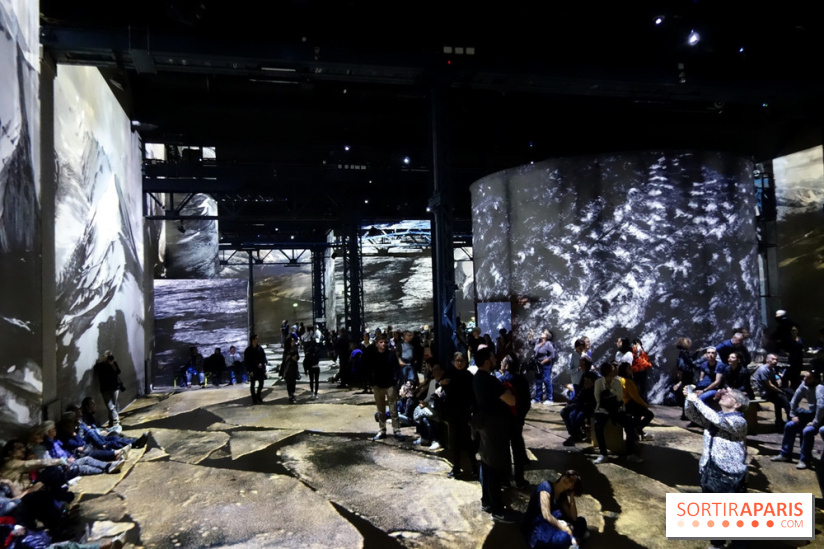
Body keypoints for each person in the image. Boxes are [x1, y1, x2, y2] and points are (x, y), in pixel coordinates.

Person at [683, 385, 749, 549]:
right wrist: (690, 397)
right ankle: (717, 544)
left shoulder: (739, 421)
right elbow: (690, 414)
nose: (724, 394)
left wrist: (696, 400)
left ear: (737, 404)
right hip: (709, 469)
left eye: (729, 395)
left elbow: (718, 421)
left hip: (730, 475)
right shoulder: (715, 416)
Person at [471, 347, 517, 523]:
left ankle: (487, 502)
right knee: (494, 467)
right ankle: (497, 509)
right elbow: (511, 400)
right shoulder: (489, 380)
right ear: (487, 360)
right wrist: (507, 393)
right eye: (493, 357)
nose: (496, 360)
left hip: (484, 425)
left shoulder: (477, 379)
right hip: (494, 428)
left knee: (486, 464)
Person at [522, 470, 588, 549]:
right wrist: (565, 528)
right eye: (567, 476)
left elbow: (573, 517)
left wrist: (572, 496)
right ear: (562, 476)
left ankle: (572, 540)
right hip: (538, 527)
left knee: (581, 521)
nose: (567, 480)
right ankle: (574, 539)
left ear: (572, 487)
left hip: (553, 524)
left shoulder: (562, 495)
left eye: (571, 481)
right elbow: (546, 515)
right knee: (564, 536)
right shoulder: (545, 487)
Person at [593, 361, 641, 464]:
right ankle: (603, 454)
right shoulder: (598, 382)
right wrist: (611, 393)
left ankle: (630, 454)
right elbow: (598, 398)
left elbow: (619, 397)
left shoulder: (617, 382)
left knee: (630, 426)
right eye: (612, 369)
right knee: (598, 427)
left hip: (617, 409)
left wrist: (607, 392)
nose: (614, 370)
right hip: (602, 410)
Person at [771, 371, 820, 469]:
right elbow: (794, 400)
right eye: (804, 377)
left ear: (815, 380)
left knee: (807, 431)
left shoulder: (820, 389)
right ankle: (785, 454)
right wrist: (792, 415)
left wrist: (815, 422)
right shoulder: (804, 384)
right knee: (790, 425)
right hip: (811, 413)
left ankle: (805, 459)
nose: (804, 379)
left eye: (808, 378)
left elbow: (821, 407)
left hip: (820, 417)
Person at [440, 352, 477, 480]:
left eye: (462, 361)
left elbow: (473, 396)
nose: (459, 363)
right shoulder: (449, 374)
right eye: (457, 360)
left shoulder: (469, 376)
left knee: (467, 441)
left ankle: (474, 467)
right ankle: (456, 467)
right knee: (454, 441)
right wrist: (442, 384)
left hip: (465, 413)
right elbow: (443, 392)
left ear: (466, 362)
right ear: (453, 361)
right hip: (452, 413)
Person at [367, 335, 403, 441]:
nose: (383, 344)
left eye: (385, 342)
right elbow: (369, 369)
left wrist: (395, 382)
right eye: (381, 342)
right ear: (377, 344)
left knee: (393, 410)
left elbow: (397, 369)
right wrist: (372, 383)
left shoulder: (391, 355)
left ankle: (397, 431)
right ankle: (382, 430)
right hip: (378, 386)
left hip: (389, 385)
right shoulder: (373, 355)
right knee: (381, 410)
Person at [754, 353, 792, 428]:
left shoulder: (772, 368)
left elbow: (775, 376)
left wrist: (778, 378)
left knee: (790, 393)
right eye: (773, 359)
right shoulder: (763, 369)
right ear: (767, 360)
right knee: (782, 398)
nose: (775, 361)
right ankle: (790, 418)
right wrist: (780, 391)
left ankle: (779, 421)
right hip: (765, 392)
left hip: (772, 391)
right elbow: (769, 385)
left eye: (776, 359)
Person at [561, 370, 597, 446]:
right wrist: (569, 402)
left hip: (588, 407)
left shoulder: (595, 390)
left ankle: (574, 435)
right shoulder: (583, 388)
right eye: (585, 379)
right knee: (564, 411)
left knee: (577, 415)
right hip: (580, 405)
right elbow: (577, 398)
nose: (586, 381)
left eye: (588, 380)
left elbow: (593, 403)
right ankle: (574, 434)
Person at [93, 351, 123, 428]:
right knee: (110, 406)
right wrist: (102, 361)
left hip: (115, 387)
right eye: (107, 356)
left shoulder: (113, 363)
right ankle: (116, 421)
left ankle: (111, 422)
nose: (109, 358)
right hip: (105, 388)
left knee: (113, 406)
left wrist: (112, 363)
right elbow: (96, 370)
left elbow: (118, 372)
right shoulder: (100, 365)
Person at [533, 330, 557, 405]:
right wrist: (531, 334)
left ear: (547, 336)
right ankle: (538, 398)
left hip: (545, 364)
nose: (541, 333)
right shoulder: (538, 342)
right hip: (538, 364)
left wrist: (542, 362)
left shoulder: (548, 344)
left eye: (543, 333)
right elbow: (530, 342)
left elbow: (552, 355)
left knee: (547, 380)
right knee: (538, 381)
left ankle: (550, 399)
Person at [244, 334, 267, 405]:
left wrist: (262, 366)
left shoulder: (260, 348)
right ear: (252, 340)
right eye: (256, 339)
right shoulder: (248, 350)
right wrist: (249, 370)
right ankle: (254, 398)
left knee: (261, 383)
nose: (257, 340)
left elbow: (263, 358)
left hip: (260, 369)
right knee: (252, 384)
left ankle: (258, 394)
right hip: (252, 370)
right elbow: (246, 361)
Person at [630, 338, 653, 403]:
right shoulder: (632, 351)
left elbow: (646, 360)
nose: (637, 345)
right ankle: (637, 400)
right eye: (636, 344)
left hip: (642, 370)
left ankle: (643, 400)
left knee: (642, 386)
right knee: (636, 386)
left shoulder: (643, 352)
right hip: (637, 370)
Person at [280, 338, 300, 403]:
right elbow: (284, 358)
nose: (293, 342)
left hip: (294, 368)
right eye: (292, 341)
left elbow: (298, 357)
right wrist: (291, 357)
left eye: (294, 341)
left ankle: (292, 393)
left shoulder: (295, 349)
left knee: (293, 382)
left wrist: (295, 358)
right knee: (288, 382)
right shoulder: (286, 351)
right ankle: (290, 395)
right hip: (287, 369)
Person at [303, 330, 321, 400]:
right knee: (316, 381)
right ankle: (315, 393)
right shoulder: (317, 349)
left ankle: (312, 392)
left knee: (312, 381)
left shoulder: (308, 351)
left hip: (311, 367)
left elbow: (305, 361)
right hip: (316, 366)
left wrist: (305, 370)